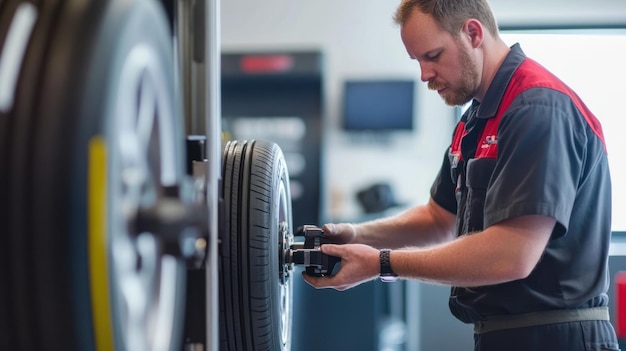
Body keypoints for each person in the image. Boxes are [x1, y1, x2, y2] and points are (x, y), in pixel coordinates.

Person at [302, 0, 620, 350]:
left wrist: (381, 263)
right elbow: (438, 219)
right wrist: (357, 234)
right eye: (418, 61)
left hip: (557, 338)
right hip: (502, 335)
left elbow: (511, 254)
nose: (424, 74)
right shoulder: (474, 121)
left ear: (473, 33)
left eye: (433, 56)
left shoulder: (537, 109)